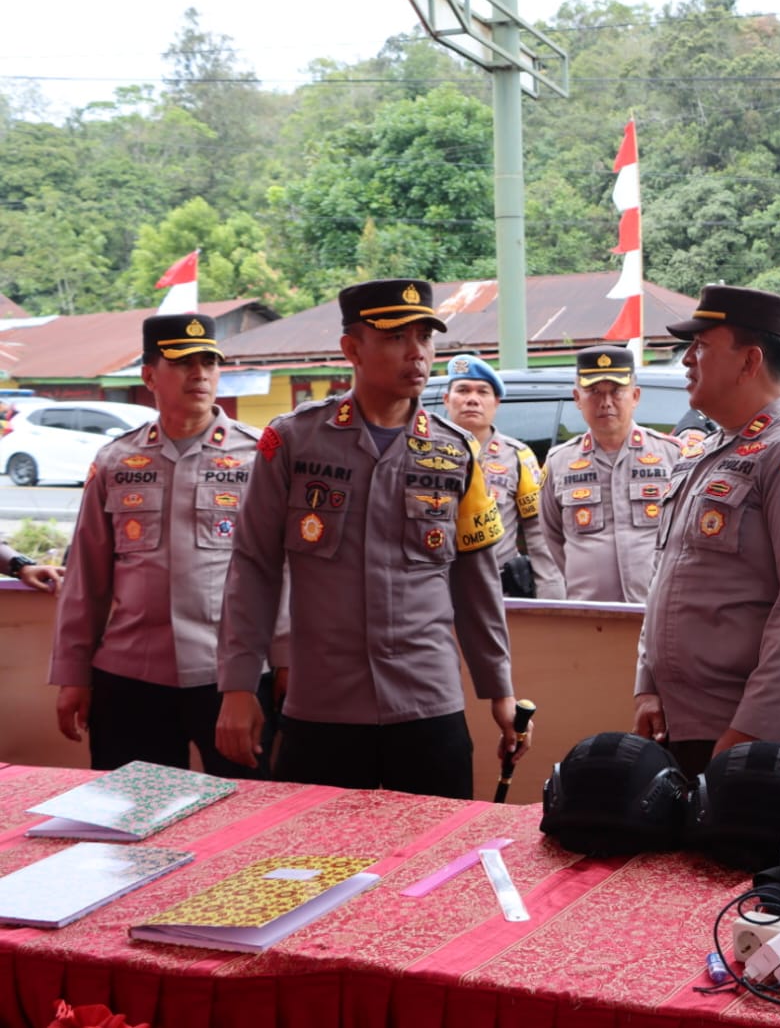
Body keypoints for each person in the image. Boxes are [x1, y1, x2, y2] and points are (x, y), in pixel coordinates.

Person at [215, 279, 521, 798]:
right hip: (323, 706)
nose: (417, 353)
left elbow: (476, 579)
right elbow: (254, 569)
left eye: (425, 337)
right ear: (352, 349)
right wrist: (239, 686)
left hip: (429, 703)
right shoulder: (292, 440)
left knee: (433, 865)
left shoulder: (457, 452)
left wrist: (499, 688)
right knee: (316, 868)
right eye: (397, 338)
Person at [634, 285, 780, 778]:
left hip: (749, 737)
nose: (687, 360)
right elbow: (666, 579)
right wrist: (648, 683)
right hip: (684, 723)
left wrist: (756, 731)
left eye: (702, 347)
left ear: (749, 361)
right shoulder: (706, 452)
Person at [48, 314, 275, 777]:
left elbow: (283, 571)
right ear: (149, 375)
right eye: (184, 362)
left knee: (245, 816)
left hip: (233, 677)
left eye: (209, 361)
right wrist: (73, 674)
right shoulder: (116, 460)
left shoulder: (261, 457)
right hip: (131, 678)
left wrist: (287, 663)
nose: (200, 374)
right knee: (127, 820)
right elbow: (85, 579)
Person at [540, 346, 682, 603]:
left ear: (635, 396)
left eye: (616, 391)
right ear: (576, 397)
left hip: (657, 609)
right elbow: (553, 539)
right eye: (593, 391)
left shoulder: (672, 455)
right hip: (589, 615)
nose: (605, 402)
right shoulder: (558, 462)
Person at [440, 354, 565, 600]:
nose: (472, 400)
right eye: (463, 390)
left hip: (498, 592)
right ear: (447, 399)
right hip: (437, 589)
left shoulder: (517, 457)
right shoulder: (422, 453)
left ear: (496, 402)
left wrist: (553, 604)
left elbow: (539, 536)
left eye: (482, 392)